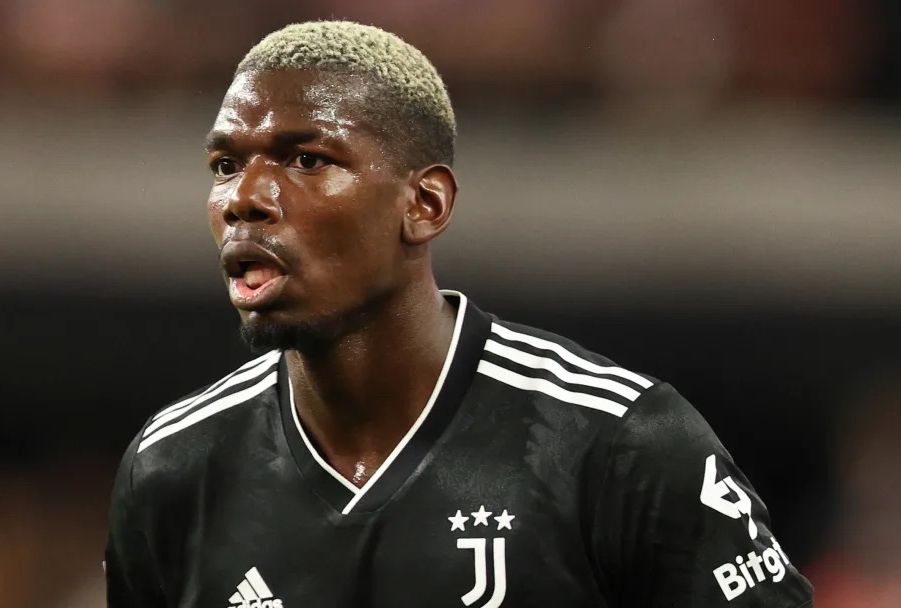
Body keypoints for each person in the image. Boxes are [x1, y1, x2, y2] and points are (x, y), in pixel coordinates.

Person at [105, 20, 813, 608]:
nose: (244, 198)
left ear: (425, 204)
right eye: (226, 165)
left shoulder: (616, 445)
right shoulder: (172, 472)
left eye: (307, 160)